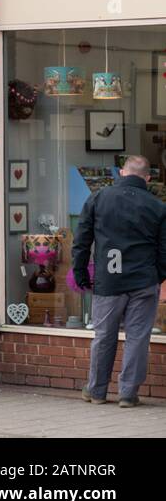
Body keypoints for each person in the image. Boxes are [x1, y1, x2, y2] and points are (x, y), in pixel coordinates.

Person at [72, 154, 166, 407]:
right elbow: (164, 249)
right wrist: (157, 276)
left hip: (108, 282)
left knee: (104, 336)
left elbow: (82, 240)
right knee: (138, 338)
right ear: (147, 178)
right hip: (143, 281)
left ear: (122, 173)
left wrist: (81, 271)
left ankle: (96, 391)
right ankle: (128, 393)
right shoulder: (158, 207)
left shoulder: (99, 199)